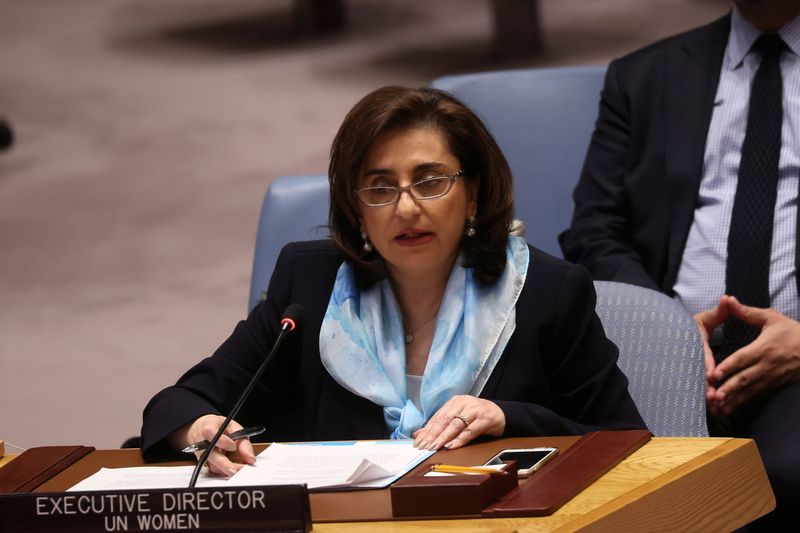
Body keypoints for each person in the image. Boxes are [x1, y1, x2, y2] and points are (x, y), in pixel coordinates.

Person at [141, 86, 644, 477]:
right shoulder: (311, 286)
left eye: (429, 182)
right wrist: (202, 427)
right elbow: (178, 403)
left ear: (472, 195)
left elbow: (627, 443)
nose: (406, 208)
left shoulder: (546, 293)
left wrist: (510, 420)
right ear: (356, 210)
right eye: (380, 188)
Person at [559, 2, 800, 529]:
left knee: (783, 474)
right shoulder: (645, 76)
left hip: (796, 358)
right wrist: (667, 330)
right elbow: (593, 231)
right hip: (668, 358)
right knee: (610, 493)